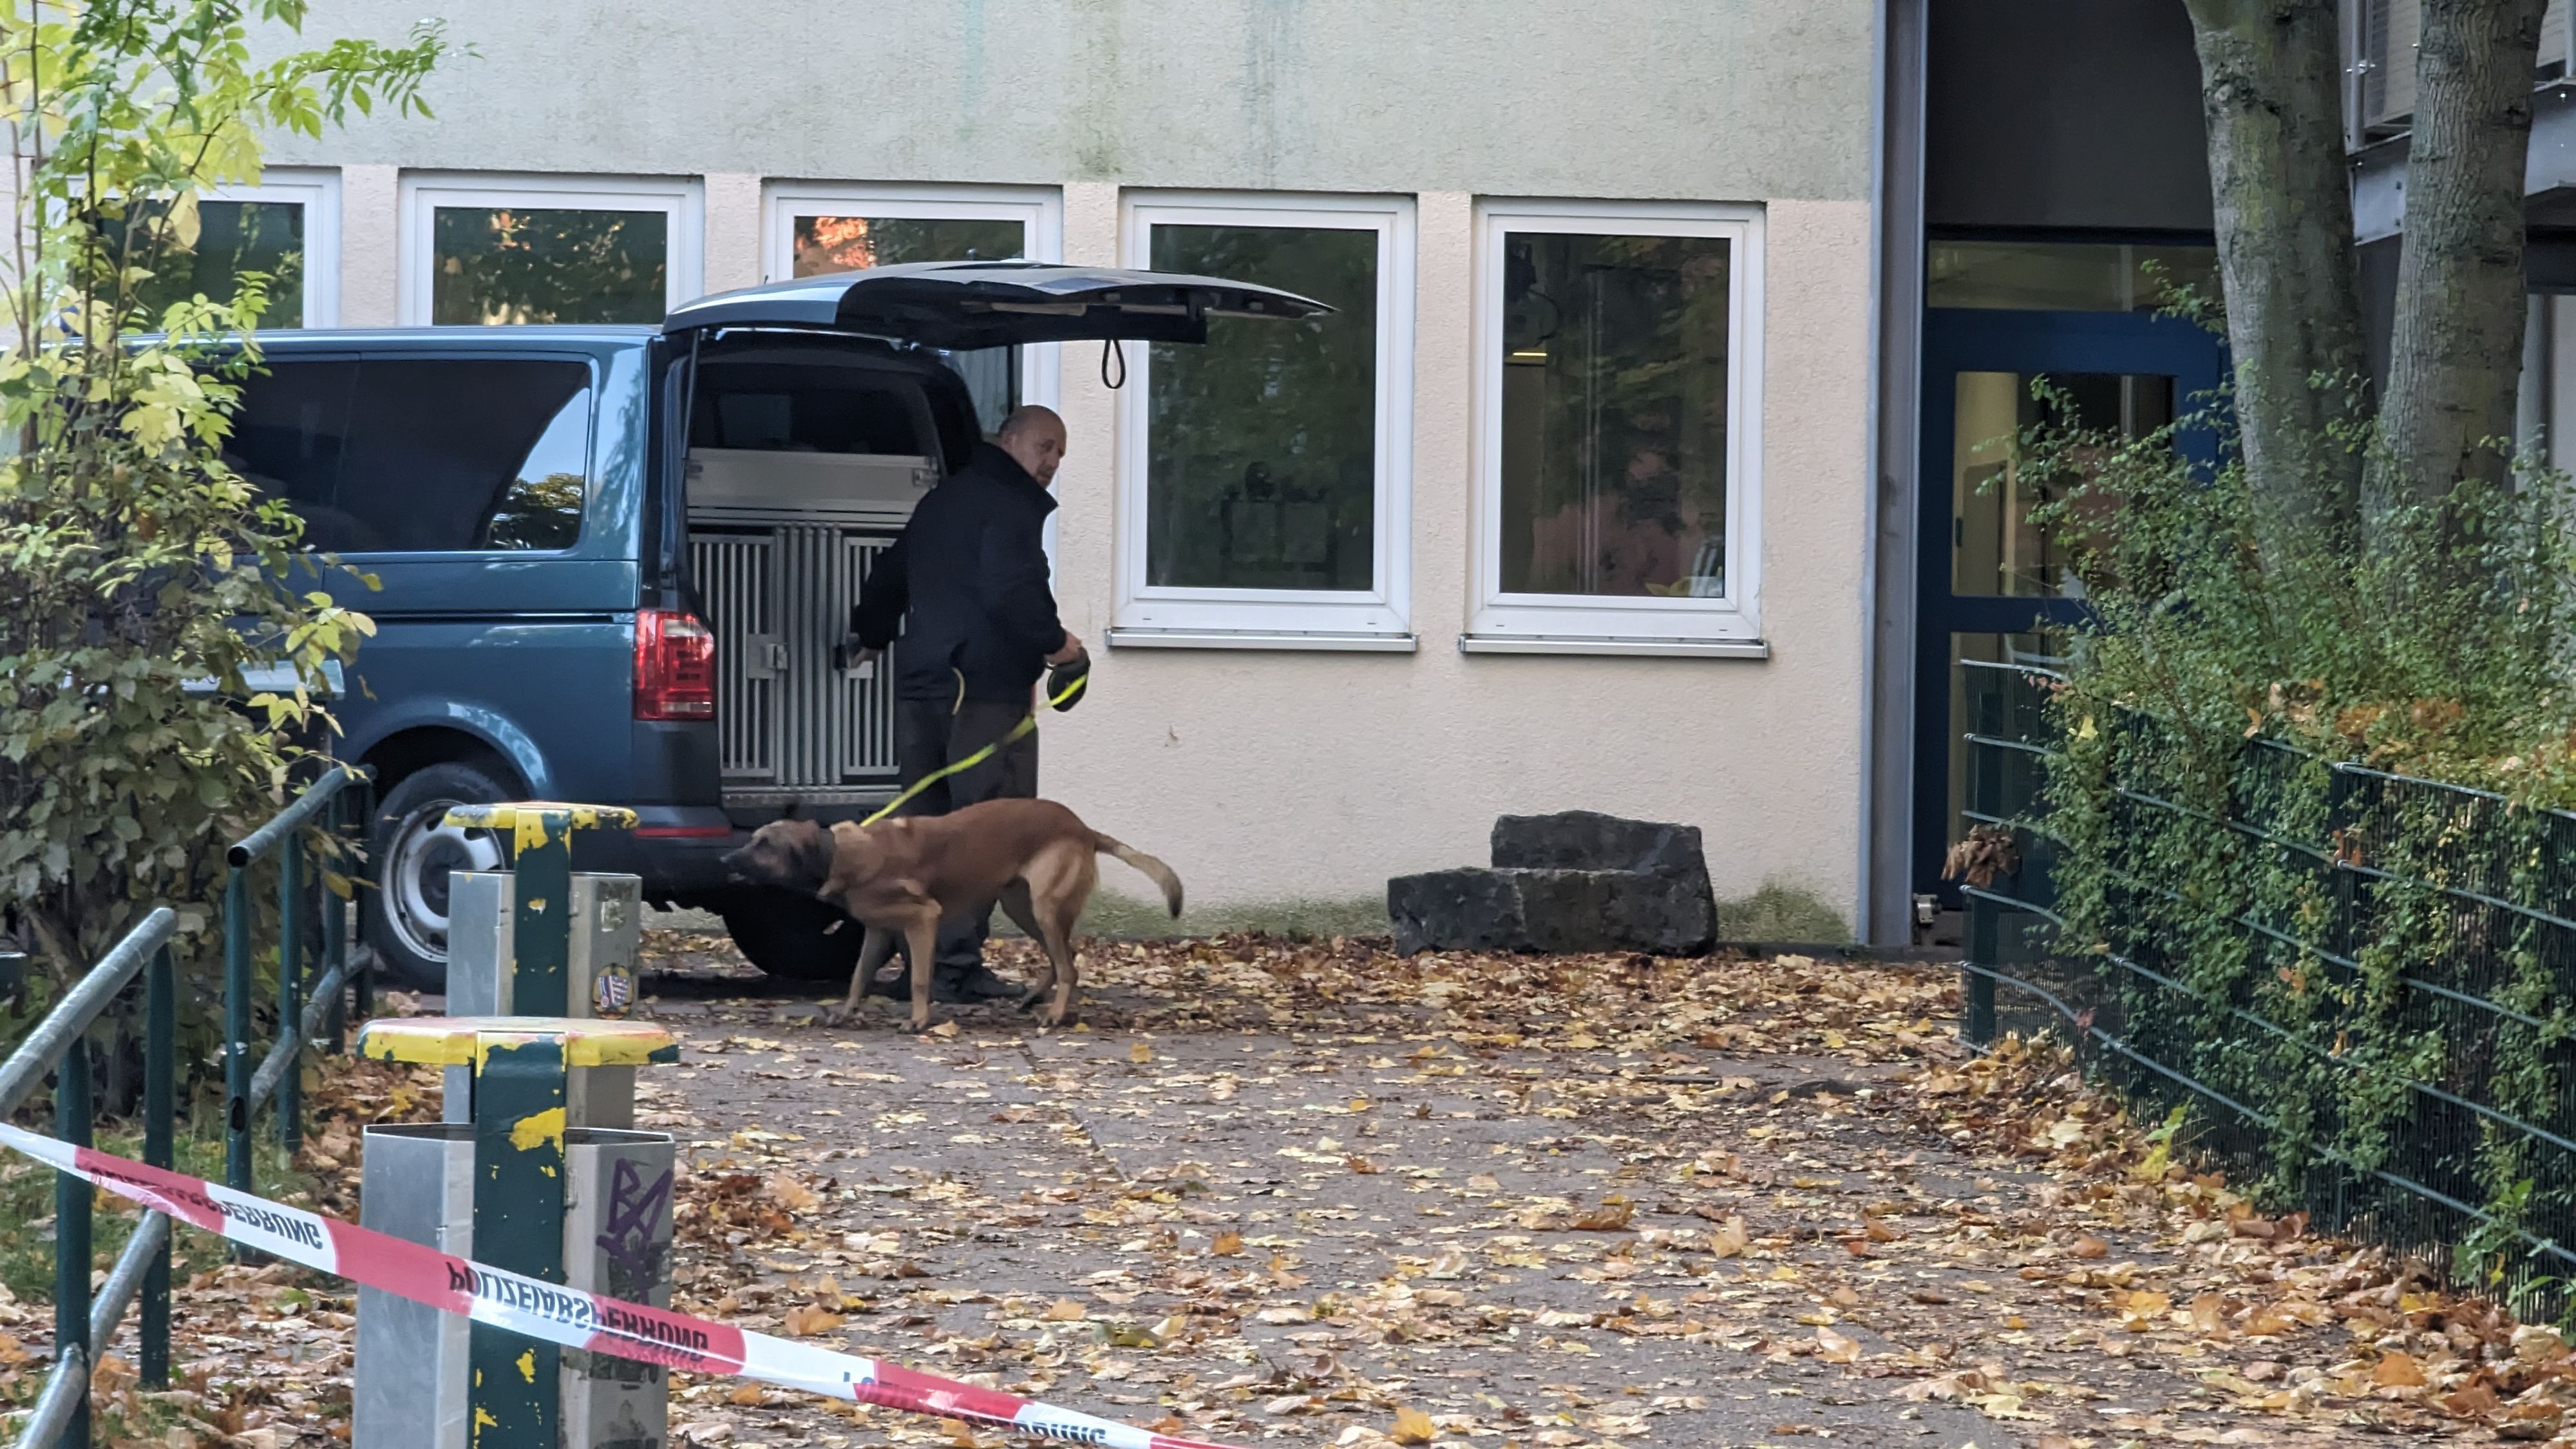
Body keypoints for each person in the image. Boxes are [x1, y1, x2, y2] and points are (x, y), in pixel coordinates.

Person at [848, 404, 1085, 1002]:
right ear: (1009, 441)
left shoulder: (943, 501)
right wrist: (1058, 646)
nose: (1052, 462)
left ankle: (920, 969)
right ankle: (954, 969)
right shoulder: (1008, 508)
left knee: (919, 833)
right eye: (1045, 446)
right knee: (985, 836)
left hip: (923, 685)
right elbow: (1012, 591)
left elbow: (892, 572)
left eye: (1060, 453)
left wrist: (870, 634)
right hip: (982, 694)